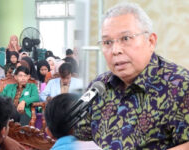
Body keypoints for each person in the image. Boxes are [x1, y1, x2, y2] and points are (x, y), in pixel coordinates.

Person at [74, 2, 189, 149]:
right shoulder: (99, 86)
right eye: (107, 42)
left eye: (126, 38)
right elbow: (80, 136)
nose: (115, 50)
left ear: (151, 41)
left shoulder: (180, 85)